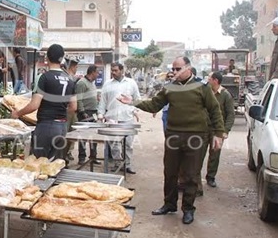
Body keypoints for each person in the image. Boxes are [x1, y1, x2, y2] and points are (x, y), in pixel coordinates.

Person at [118, 56, 225, 224]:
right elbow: (154, 105)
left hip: (196, 136)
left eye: (178, 69)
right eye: (173, 69)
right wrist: (134, 102)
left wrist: (219, 134)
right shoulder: (169, 88)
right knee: (170, 172)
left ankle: (188, 209)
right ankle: (169, 204)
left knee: (191, 175)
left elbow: (215, 110)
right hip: (173, 135)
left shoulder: (202, 87)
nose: (174, 72)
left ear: (188, 68)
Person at [11, 44, 76, 160]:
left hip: (46, 126)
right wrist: (60, 114)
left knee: (38, 163)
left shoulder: (44, 77)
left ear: (47, 58)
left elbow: (34, 105)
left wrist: (17, 113)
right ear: (62, 59)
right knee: (55, 164)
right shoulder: (70, 80)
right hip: (61, 127)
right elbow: (73, 107)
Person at [97, 62, 141, 174]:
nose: (113, 72)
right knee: (114, 144)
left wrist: (135, 110)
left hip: (127, 118)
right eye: (112, 70)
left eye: (115, 70)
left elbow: (137, 99)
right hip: (112, 119)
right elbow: (103, 101)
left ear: (122, 70)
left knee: (129, 144)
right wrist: (100, 114)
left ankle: (128, 165)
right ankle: (117, 163)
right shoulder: (107, 84)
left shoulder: (131, 83)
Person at [200, 71, 235, 191]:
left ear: (215, 81)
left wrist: (225, 130)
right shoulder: (205, 92)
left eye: (209, 78)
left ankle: (211, 177)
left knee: (214, 155)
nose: (207, 80)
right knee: (199, 153)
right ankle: (196, 178)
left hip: (217, 130)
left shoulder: (225, 95)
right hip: (204, 129)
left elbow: (230, 115)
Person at [75, 65, 100, 164]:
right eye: (97, 73)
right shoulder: (82, 83)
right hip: (85, 113)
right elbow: (79, 98)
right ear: (92, 72)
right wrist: (82, 112)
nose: (98, 75)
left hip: (94, 112)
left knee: (94, 135)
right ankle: (82, 157)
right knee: (83, 136)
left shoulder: (92, 84)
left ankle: (93, 156)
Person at [63, 56, 80, 163]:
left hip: (71, 111)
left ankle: (66, 155)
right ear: (72, 66)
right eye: (76, 67)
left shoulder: (70, 78)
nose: (76, 69)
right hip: (66, 111)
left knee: (71, 135)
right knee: (66, 136)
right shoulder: (66, 78)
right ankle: (63, 157)